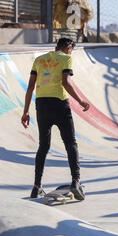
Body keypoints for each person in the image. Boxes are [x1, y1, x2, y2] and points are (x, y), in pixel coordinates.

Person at [21, 38, 90, 199]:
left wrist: (25, 112)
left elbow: (30, 87)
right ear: (67, 47)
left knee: (43, 146)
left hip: (42, 105)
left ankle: (36, 186)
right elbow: (66, 82)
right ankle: (76, 182)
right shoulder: (66, 58)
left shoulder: (39, 59)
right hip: (59, 104)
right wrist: (80, 101)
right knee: (70, 143)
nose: (71, 52)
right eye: (71, 49)